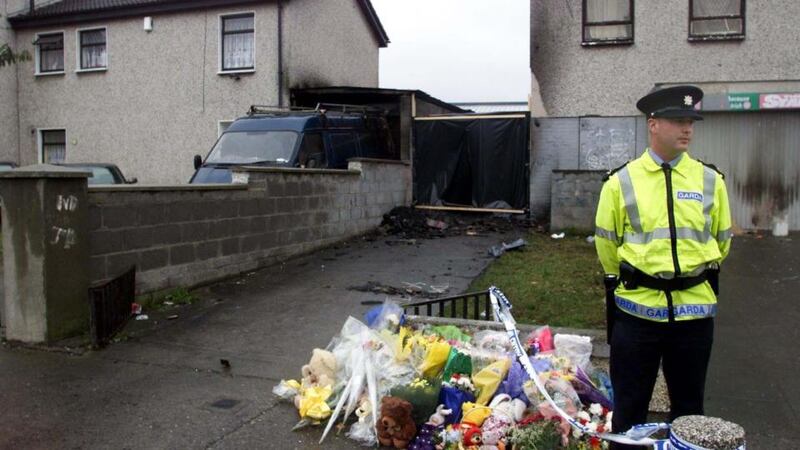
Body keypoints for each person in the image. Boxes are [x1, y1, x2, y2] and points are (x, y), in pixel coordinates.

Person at [594, 85, 732, 449]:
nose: (687, 128)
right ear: (653, 124)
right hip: (636, 314)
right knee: (629, 410)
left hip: (693, 316)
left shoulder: (710, 180)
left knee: (690, 411)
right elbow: (607, 246)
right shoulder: (620, 181)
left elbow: (722, 241)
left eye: (690, 121)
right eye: (677, 121)